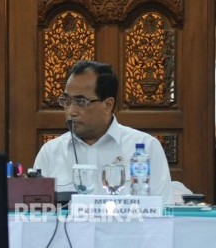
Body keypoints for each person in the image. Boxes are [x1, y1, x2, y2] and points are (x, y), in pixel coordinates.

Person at [33, 60, 173, 204]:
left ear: (108, 105)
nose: (71, 111)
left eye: (81, 102)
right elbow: (36, 214)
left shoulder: (145, 148)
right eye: (67, 101)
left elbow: (164, 213)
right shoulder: (50, 153)